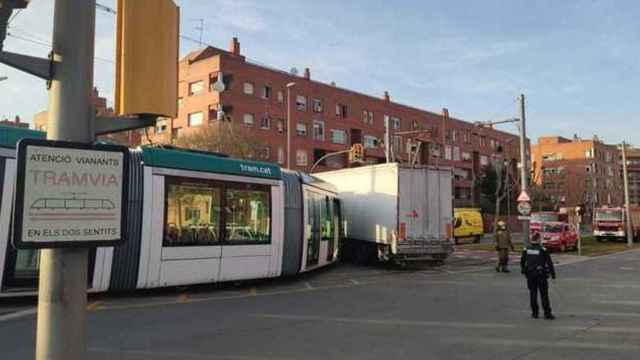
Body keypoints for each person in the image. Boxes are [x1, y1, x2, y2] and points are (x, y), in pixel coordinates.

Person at [520, 232, 556, 320]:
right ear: (538, 239)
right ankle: (547, 314)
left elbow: (522, 262)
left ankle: (535, 313)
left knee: (533, 293)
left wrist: (524, 271)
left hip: (530, 274)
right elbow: (549, 263)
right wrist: (553, 274)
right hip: (541, 275)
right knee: (544, 295)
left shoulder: (526, 249)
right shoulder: (543, 249)